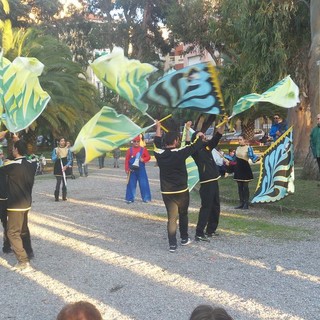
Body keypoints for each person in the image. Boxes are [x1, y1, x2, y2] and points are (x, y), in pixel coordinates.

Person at [154, 120, 204, 252]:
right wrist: (199, 136)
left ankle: (172, 245)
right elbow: (195, 145)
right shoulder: (180, 153)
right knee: (183, 214)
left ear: (166, 142)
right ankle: (184, 238)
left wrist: (158, 127)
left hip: (167, 192)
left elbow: (157, 142)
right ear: (176, 141)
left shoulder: (159, 154)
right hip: (182, 191)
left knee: (171, 218)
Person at [0, 139, 36, 271]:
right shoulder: (32, 164)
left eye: (14, 148)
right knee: (23, 229)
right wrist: (19, 141)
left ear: (16, 150)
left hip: (15, 205)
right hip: (26, 203)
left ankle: (23, 261)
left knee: (12, 233)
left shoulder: (12, 166)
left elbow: (2, 168)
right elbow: (32, 157)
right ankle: (28, 253)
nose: (12, 151)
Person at [186, 122, 224, 242]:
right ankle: (199, 233)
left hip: (214, 180)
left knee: (216, 206)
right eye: (201, 136)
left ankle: (211, 230)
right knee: (206, 207)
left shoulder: (207, 147)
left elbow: (218, 135)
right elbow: (188, 143)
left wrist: (224, 123)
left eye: (204, 136)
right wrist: (187, 129)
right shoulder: (195, 151)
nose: (204, 137)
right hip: (206, 182)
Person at [233, 135, 260, 210]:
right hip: (238, 168)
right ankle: (241, 203)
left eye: (240, 139)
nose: (239, 141)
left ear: (245, 140)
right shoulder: (237, 148)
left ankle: (246, 203)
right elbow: (234, 158)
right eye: (238, 139)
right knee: (239, 187)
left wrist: (259, 158)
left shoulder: (249, 148)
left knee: (245, 187)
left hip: (245, 168)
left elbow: (253, 158)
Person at [125, 135, 151, 203]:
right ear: (132, 142)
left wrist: (143, 159)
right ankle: (130, 198)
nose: (136, 143)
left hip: (141, 169)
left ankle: (146, 198)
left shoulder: (143, 149)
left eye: (138, 141)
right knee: (131, 184)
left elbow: (148, 157)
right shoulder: (129, 150)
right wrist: (127, 169)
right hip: (132, 170)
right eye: (135, 141)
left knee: (144, 183)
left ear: (140, 141)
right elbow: (127, 160)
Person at [310, 113, 320, 178]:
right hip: (318, 154)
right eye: (318, 118)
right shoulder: (314, 130)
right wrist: (314, 152)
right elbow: (312, 141)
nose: (318, 120)